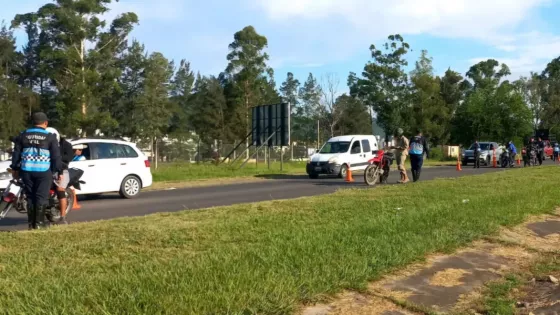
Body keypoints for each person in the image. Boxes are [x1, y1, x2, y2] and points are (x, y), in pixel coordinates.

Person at [10, 112, 62, 229]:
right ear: (46, 123)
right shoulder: (50, 137)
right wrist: (59, 171)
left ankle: (31, 224)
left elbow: (16, 154)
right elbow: (56, 157)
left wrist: (15, 168)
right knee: (41, 197)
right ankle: (39, 224)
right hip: (43, 171)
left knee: (30, 197)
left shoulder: (23, 135)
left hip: (26, 170)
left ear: (32, 123)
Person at [46, 127, 73, 220]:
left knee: (60, 190)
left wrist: (57, 158)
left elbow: (69, 157)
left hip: (62, 170)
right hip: (47, 169)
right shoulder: (44, 144)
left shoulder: (66, 145)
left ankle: (63, 216)